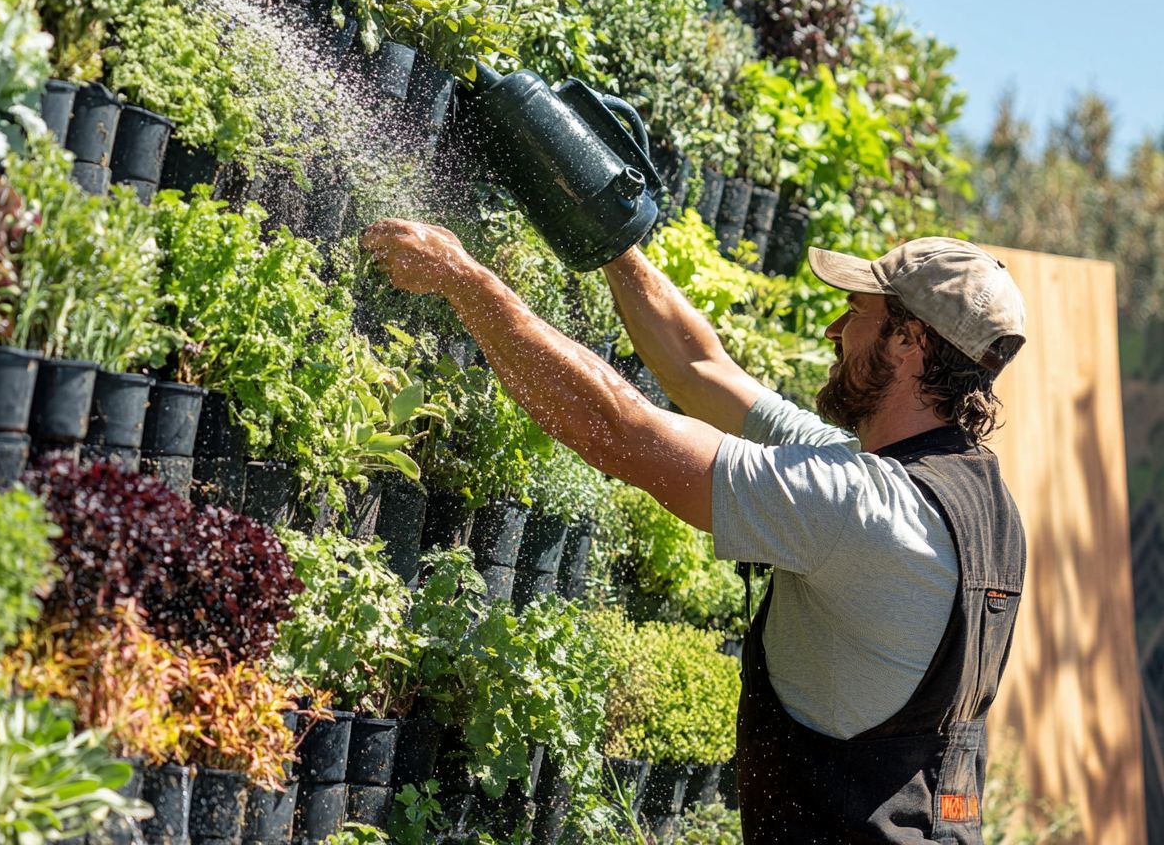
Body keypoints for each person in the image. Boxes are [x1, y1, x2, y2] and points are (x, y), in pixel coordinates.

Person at [362, 219, 1028, 844]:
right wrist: (612, 240)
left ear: (910, 343)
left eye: (857, 314)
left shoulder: (861, 510)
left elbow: (623, 432)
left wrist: (465, 280)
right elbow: (701, 370)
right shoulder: (976, 508)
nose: (833, 330)